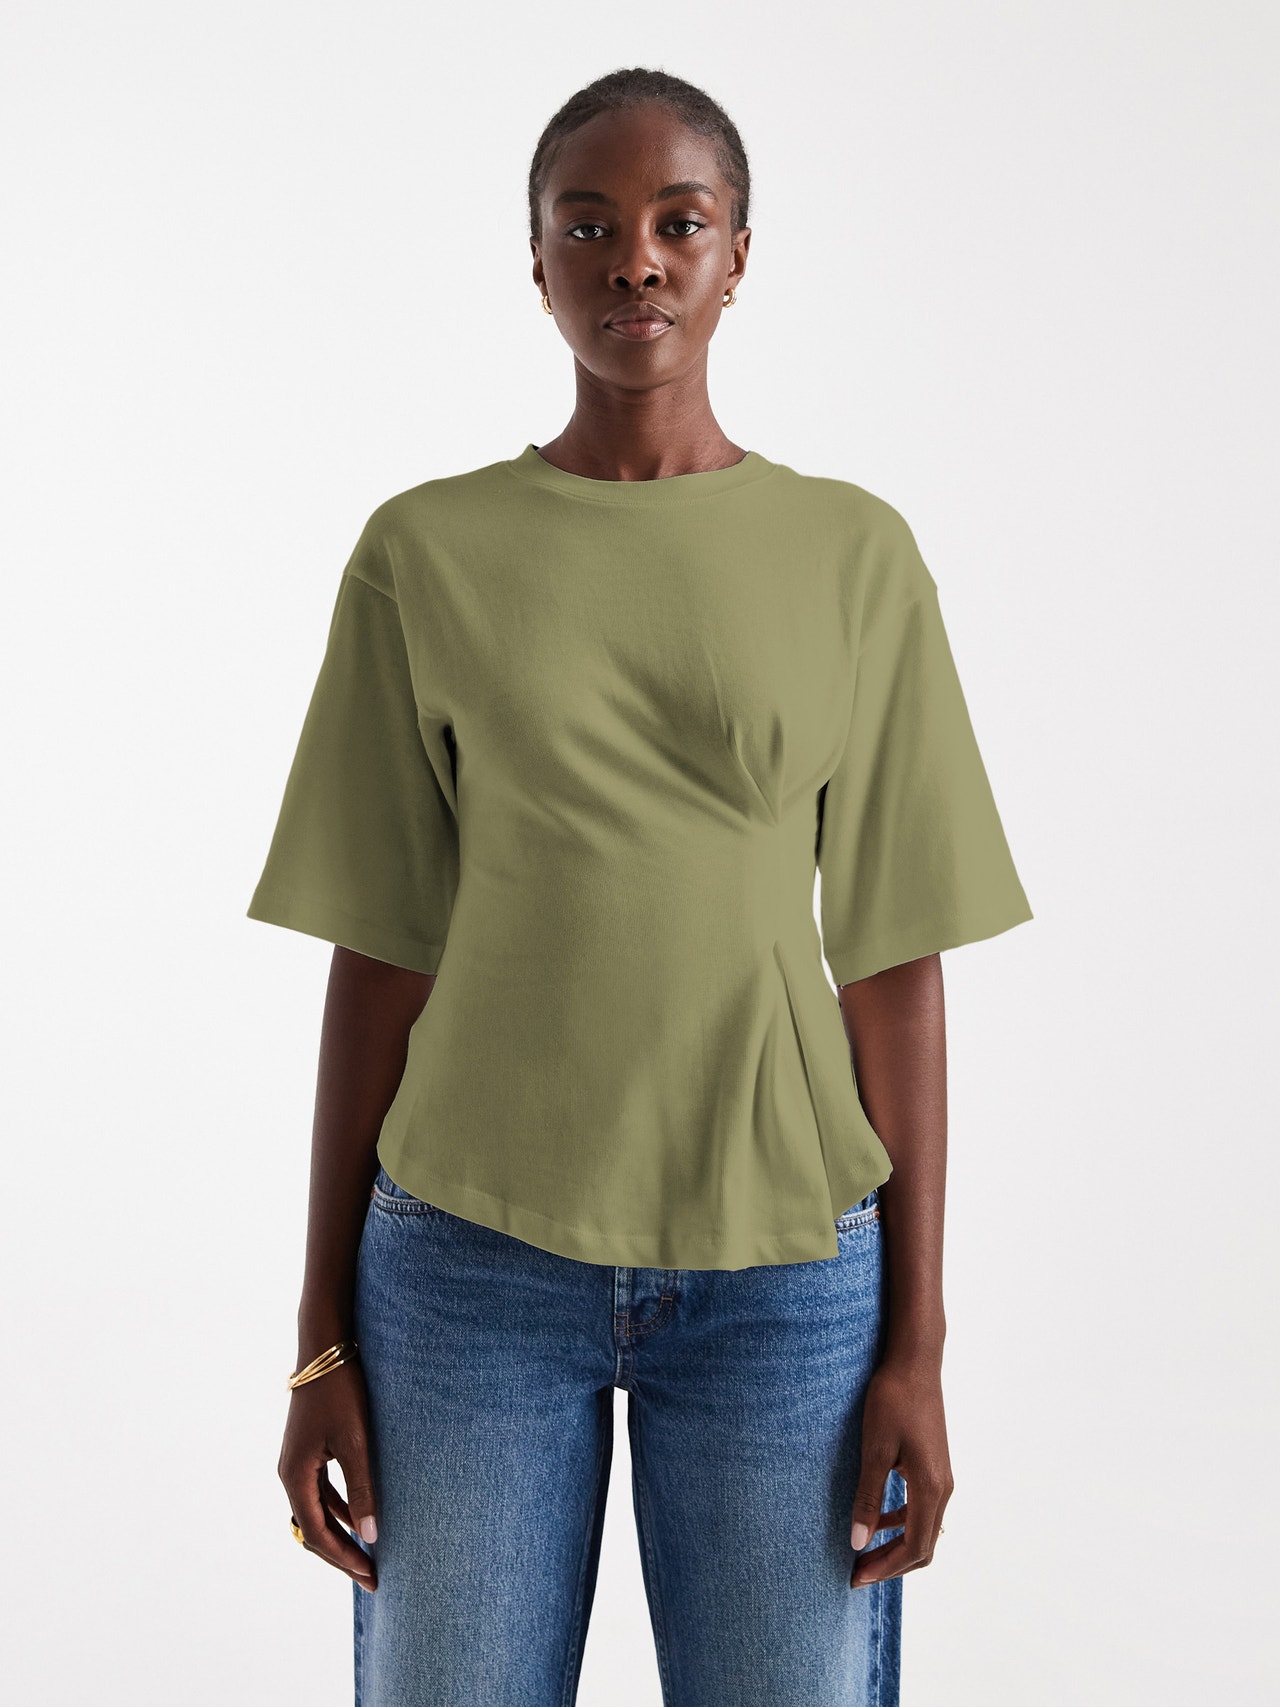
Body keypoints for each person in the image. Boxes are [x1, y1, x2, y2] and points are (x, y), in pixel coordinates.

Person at [247, 66, 1033, 1707]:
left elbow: (893, 963)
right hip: (466, 1260)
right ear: (534, 259)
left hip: (786, 1269)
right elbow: (380, 952)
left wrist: (919, 1343)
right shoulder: (425, 552)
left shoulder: (854, 555)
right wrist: (321, 1332)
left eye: (680, 222)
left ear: (740, 253)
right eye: (589, 225)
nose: (637, 261)